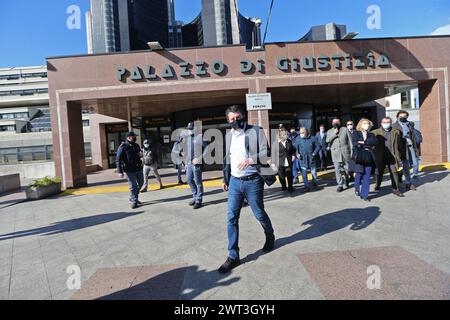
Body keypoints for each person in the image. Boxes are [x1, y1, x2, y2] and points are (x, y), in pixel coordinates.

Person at [220, 105, 275, 274]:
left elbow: (266, 152)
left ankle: (270, 235)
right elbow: (227, 158)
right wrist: (225, 178)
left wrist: (251, 159)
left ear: (243, 116)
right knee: (231, 218)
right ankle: (233, 255)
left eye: (238, 117)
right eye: (232, 119)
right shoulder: (228, 135)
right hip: (235, 182)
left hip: (253, 181)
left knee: (259, 213)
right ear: (228, 121)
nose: (235, 121)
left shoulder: (255, 131)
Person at [372, 117, 404, 197]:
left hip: (392, 155)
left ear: (391, 123)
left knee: (394, 172)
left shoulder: (396, 132)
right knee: (379, 172)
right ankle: (377, 185)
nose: (386, 124)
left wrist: (401, 155)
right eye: (384, 122)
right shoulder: (374, 132)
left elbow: (400, 144)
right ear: (381, 123)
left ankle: (395, 189)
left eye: (388, 122)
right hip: (380, 156)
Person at [349, 119, 378, 202]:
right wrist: (367, 144)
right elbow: (355, 143)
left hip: (369, 156)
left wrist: (362, 142)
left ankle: (364, 195)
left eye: (368, 123)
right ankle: (357, 188)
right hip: (359, 156)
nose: (367, 125)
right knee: (359, 174)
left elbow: (375, 142)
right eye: (365, 123)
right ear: (360, 124)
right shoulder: (356, 133)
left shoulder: (371, 134)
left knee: (367, 176)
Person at [116, 132, 144, 209]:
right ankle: (134, 201)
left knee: (141, 183)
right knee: (133, 186)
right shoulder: (123, 146)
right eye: (133, 136)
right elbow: (118, 160)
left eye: (135, 136)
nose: (135, 138)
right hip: (129, 170)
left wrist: (141, 155)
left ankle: (133, 196)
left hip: (138, 168)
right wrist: (120, 172)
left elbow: (139, 154)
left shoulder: (136, 145)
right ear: (128, 137)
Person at [182, 122, 206, 209]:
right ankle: (195, 196)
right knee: (188, 180)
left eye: (191, 129)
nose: (190, 130)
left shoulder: (200, 137)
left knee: (198, 182)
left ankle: (199, 200)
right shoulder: (188, 138)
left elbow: (207, 148)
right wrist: (185, 162)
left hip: (197, 164)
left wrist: (200, 158)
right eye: (189, 129)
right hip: (189, 163)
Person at [392, 110, 418, 190]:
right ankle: (408, 182)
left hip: (411, 146)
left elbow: (413, 134)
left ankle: (403, 176)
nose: (403, 118)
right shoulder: (394, 126)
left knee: (414, 162)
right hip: (401, 148)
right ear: (398, 116)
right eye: (401, 116)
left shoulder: (410, 124)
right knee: (406, 164)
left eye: (405, 116)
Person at [326, 118, 353, 192]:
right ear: (332, 123)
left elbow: (350, 141)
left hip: (345, 152)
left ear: (340, 122)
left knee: (347, 169)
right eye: (334, 122)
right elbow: (327, 140)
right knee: (337, 170)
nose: (335, 123)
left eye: (337, 121)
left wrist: (352, 152)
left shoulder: (345, 129)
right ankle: (340, 185)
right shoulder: (329, 131)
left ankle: (346, 178)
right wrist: (334, 133)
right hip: (335, 153)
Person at [295, 127, 321, 192]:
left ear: (306, 132)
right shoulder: (298, 139)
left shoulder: (313, 138)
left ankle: (315, 184)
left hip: (312, 159)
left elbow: (318, 146)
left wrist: (314, 153)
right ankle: (306, 186)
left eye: (303, 132)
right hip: (303, 160)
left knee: (314, 173)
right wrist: (297, 154)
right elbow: (296, 149)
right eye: (300, 133)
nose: (301, 134)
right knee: (304, 174)